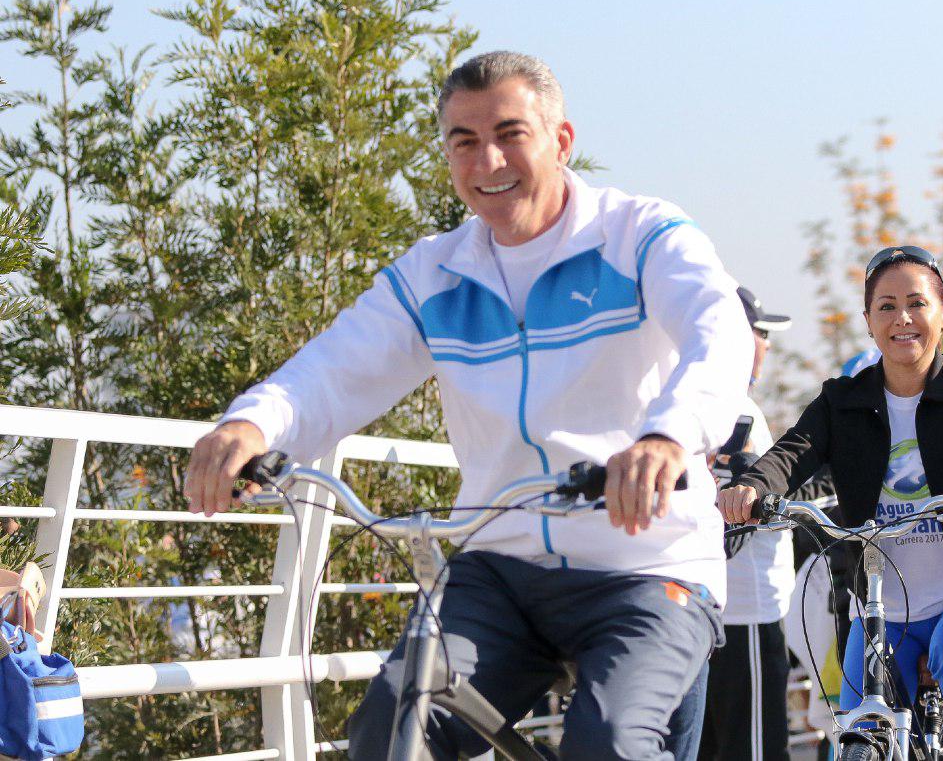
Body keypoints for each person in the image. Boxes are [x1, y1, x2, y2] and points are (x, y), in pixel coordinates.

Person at [183, 51, 754, 760]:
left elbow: (717, 326)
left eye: (511, 134)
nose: (488, 160)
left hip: (645, 562)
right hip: (500, 564)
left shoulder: (639, 235)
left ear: (562, 140)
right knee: (394, 721)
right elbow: (335, 367)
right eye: (464, 141)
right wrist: (252, 423)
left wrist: (667, 437)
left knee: (607, 741)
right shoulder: (434, 272)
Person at [719, 245, 943, 761]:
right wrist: (753, 488)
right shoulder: (841, 401)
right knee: (856, 722)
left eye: (917, 303)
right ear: (869, 322)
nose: (903, 319)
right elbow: (791, 453)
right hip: (881, 606)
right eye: (886, 307)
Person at [697, 286, 795, 761]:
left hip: (705, 606)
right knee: (754, 750)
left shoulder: (698, 398)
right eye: (759, 332)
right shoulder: (737, 408)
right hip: (745, 609)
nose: (767, 344)